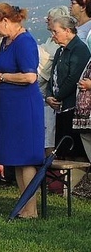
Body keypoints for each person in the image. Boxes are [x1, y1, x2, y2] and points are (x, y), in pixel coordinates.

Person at [0, 3, 44, 219]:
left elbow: (30, 77)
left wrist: (1, 78)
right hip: (9, 106)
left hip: (24, 106)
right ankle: (23, 206)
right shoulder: (6, 42)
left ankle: (31, 210)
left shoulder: (24, 42)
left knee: (26, 158)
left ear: (6, 21)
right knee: (17, 159)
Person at [45, 15, 90, 160]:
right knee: (63, 148)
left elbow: (74, 78)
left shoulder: (79, 49)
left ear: (68, 31)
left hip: (72, 106)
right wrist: (49, 96)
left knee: (75, 150)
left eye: (55, 32)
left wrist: (57, 96)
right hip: (60, 108)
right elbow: (53, 76)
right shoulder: (60, 51)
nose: (53, 36)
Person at [39, 6, 70, 154]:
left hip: (53, 96)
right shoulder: (51, 42)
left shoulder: (58, 46)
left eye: (49, 20)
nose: (46, 22)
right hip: (47, 94)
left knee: (50, 135)